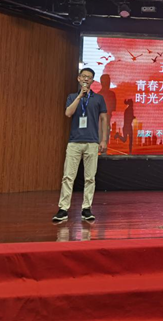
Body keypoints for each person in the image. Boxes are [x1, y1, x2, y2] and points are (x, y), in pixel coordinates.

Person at [53, 68, 108, 222]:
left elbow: (104, 119)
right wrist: (79, 96)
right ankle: (63, 209)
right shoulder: (72, 97)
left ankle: (86, 208)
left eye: (89, 77)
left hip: (92, 142)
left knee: (90, 178)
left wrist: (104, 140)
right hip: (74, 142)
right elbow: (68, 113)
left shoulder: (99, 98)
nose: (86, 79)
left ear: (92, 81)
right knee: (68, 176)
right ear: (78, 79)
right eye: (83, 76)